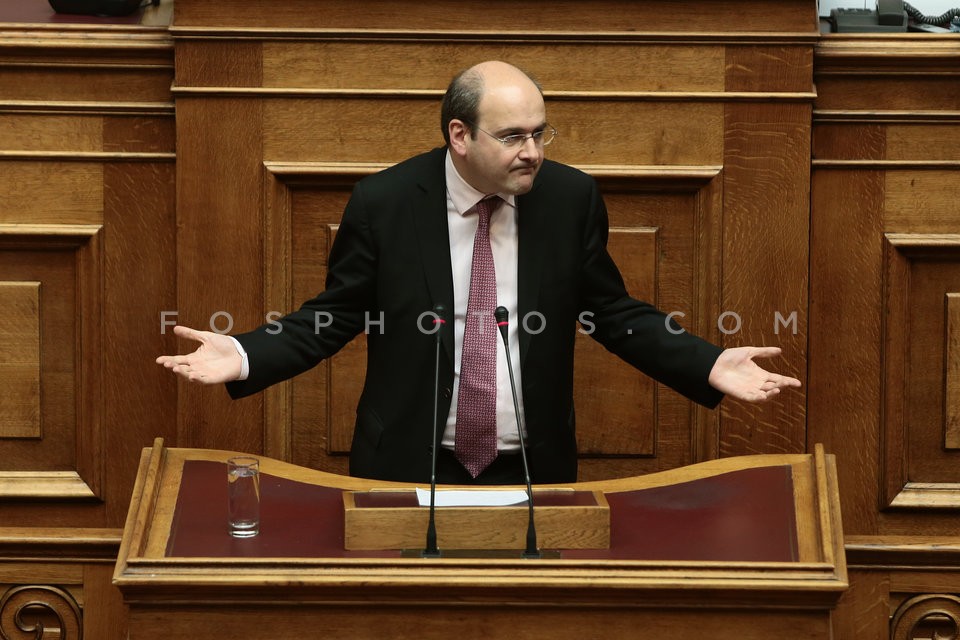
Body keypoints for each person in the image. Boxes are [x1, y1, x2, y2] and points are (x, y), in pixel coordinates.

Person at [157, 60, 801, 485]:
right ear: (460, 135)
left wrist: (706, 363)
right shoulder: (384, 203)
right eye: (514, 136)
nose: (533, 153)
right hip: (407, 465)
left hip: (532, 467)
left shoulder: (568, 198)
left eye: (541, 134)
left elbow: (610, 311)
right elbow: (335, 316)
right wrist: (243, 353)